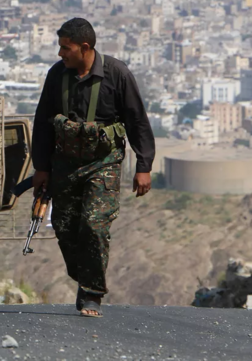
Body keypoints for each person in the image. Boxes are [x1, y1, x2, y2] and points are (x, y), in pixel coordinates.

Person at [23, 18, 155, 317]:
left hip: (103, 163)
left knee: (94, 225)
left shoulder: (116, 74)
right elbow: (43, 122)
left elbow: (137, 120)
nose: (61, 54)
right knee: (65, 227)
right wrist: (41, 168)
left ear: (84, 47)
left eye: (65, 48)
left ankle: (92, 294)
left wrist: (143, 165)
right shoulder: (57, 75)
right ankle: (85, 277)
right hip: (65, 164)